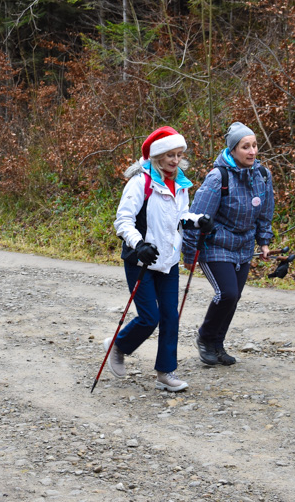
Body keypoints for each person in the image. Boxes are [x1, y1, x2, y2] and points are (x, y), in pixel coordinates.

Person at [109, 126, 212, 392]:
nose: (175, 160)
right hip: (140, 261)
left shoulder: (180, 184)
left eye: (179, 154)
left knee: (170, 318)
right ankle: (120, 345)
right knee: (149, 317)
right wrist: (139, 244)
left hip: (168, 261)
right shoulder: (140, 182)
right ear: (157, 156)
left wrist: (197, 220)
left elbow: (181, 215)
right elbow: (123, 221)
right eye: (170, 155)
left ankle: (165, 373)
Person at [182, 122, 275, 366]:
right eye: (246, 147)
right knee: (227, 293)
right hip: (215, 245)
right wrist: (190, 255)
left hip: (243, 247)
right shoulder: (218, 178)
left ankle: (217, 344)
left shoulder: (263, 176)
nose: (252, 151)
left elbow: (265, 213)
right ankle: (204, 338)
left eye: (254, 145)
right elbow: (195, 219)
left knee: (234, 297)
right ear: (233, 150)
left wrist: (264, 242)